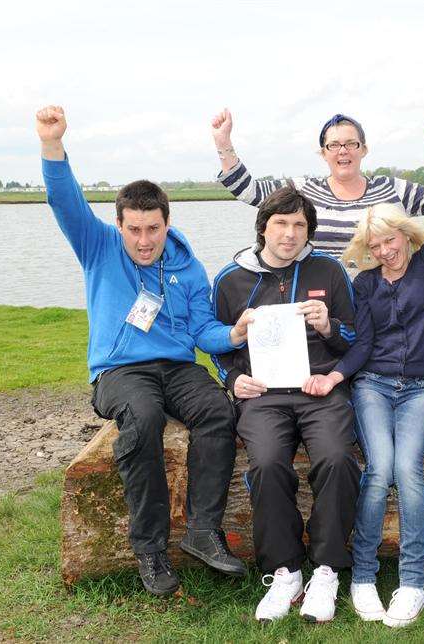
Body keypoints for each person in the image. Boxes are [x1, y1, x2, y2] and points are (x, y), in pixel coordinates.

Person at [36, 105, 254, 597]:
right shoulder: (98, 246)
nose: (143, 240)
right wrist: (52, 145)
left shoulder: (189, 267)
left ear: (167, 221)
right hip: (120, 371)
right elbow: (64, 200)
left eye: (152, 228)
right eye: (133, 229)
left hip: (178, 367)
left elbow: (203, 331)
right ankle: (150, 549)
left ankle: (203, 532)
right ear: (119, 224)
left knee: (219, 410)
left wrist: (234, 336)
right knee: (144, 416)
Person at [304, 119, 424, 627]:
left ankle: (412, 583)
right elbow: (362, 344)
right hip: (372, 385)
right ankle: (363, 575)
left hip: (420, 388)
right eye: (376, 246)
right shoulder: (365, 284)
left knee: (407, 472)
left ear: (405, 235)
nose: (386, 251)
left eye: (391, 240)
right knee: (377, 473)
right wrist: (336, 377)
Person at [211, 186, 359, 624]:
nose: (290, 233)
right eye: (281, 223)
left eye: (299, 225)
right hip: (263, 395)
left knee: (336, 458)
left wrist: (330, 326)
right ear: (263, 228)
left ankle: (328, 568)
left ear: (308, 231)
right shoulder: (230, 279)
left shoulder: (329, 271)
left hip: (319, 389)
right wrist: (233, 379)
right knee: (268, 464)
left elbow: (354, 337)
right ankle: (285, 569)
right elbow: (218, 342)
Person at [211, 109, 424, 258]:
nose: (343, 151)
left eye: (351, 144)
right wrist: (224, 144)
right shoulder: (304, 190)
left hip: (382, 301)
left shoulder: (389, 189)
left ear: (364, 149)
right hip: (322, 302)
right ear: (323, 152)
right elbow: (251, 192)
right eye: (334, 145)